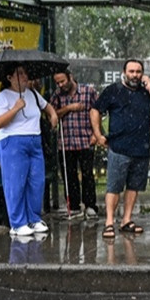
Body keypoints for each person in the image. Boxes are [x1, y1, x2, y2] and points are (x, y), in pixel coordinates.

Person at [90, 59, 150, 238]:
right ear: (124, 72)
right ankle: (109, 222)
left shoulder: (146, 92)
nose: (135, 75)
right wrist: (98, 134)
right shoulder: (113, 91)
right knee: (114, 187)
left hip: (141, 149)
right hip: (118, 148)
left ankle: (126, 220)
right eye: (131, 71)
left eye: (138, 71)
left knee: (134, 187)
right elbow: (95, 111)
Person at [0, 66, 58, 237]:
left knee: (36, 181)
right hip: (12, 141)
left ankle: (34, 218)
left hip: (34, 140)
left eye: (25, 73)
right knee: (16, 183)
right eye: (19, 73)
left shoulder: (32, 93)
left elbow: (46, 106)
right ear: (9, 77)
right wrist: (15, 108)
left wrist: (53, 114)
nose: (24, 76)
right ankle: (17, 222)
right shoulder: (2, 97)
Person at [50, 69, 99, 219]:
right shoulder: (57, 95)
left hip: (85, 139)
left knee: (87, 174)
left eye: (63, 81)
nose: (61, 85)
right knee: (69, 175)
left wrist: (95, 133)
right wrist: (68, 108)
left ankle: (90, 205)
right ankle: (74, 206)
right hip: (66, 142)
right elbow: (52, 114)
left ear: (70, 77)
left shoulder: (88, 91)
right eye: (57, 82)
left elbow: (97, 111)